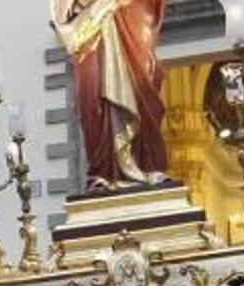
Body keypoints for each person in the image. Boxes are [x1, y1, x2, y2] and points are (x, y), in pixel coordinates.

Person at [50, 0, 168, 190]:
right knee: (93, 96)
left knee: (142, 85)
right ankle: (104, 171)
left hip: (131, 17)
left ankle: (146, 164)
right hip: (90, 26)